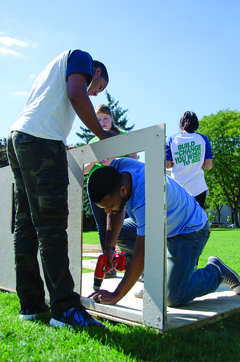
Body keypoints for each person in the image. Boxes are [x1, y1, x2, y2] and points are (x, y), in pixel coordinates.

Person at [7, 49, 115, 328]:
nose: (94, 94)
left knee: (27, 225)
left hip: (19, 137)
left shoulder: (53, 68)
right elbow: (76, 95)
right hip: (41, 141)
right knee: (52, 227)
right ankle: (65, 308)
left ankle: (30, 304)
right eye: (98, 87)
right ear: (97, 71)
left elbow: (66, 99)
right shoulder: (82, 57)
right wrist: (101, 135)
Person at [87, 158, 240, 306]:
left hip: (189, 230)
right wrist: (109, 249)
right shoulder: (117, 168)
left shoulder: (147, 197)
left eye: (109, 205)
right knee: (118, 233)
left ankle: (216, 271)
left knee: (173, 295)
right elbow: (115, 212)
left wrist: (116, 295)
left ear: (123, 189)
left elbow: (142, 255)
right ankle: (159, 275)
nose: (108, 211)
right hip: (163, 226)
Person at [84, 104, 138, 268]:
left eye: (105, 118)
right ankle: (108, 265)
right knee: (102, 226)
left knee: (127, 224)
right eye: (98, 119)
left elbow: (135, 161)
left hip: (119, 187)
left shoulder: (122, 135)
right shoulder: (93, 141)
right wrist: (95, 157)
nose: (102, 122)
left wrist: (113, 159)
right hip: (97, 188)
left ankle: (134, 262)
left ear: (112, 118)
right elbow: (85, 170)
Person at [166, 111, 213, 208]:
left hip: (178, 187)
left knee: (179, 220)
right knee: (195, 220)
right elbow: (208, 166)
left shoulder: (171, 139)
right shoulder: (203, 139)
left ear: (181, 126)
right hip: (198, 188)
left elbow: (168, 165)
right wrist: (196, 163)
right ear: (196, 126)